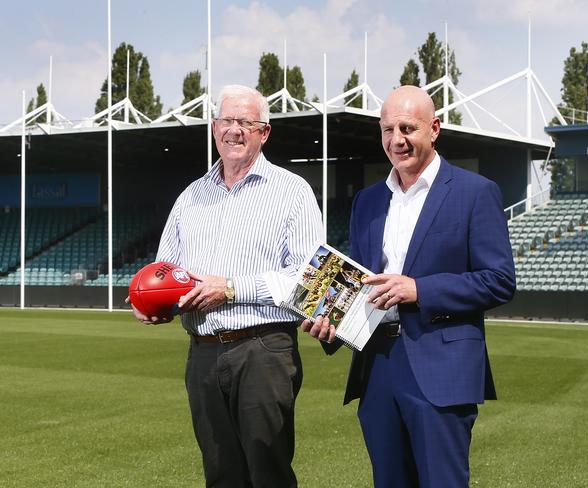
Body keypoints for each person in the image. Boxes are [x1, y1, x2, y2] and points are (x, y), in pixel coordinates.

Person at [302, 85, 516, 488]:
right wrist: (329, 324)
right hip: (377, 365)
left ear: (434, 129)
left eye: (407, 128)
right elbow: (362, 283)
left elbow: (500, 281)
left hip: (440, 369)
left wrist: (420, 289)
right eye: (387, 130)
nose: (396, 140)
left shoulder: (475, 193)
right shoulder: (367, 201)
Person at [130, 84, 323, 488]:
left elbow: (310, 281)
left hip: (263, 350)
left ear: (264, 132)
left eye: (245, 123)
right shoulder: (190, 197)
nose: (234, 131)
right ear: (214, 128)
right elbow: (165, 270)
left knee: (268, 472)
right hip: (201, 353)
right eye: (227, 121)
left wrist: (233, 287)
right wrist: (150, 302)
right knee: (220, 475)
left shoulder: (291, 192)